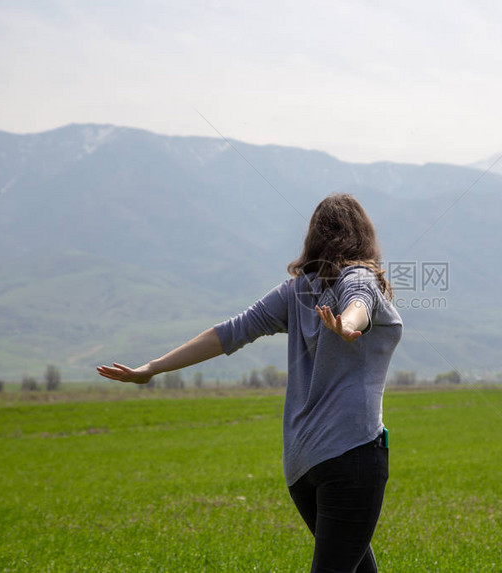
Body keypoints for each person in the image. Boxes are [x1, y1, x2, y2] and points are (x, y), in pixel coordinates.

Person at [97, 192, 403, 573]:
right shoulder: (360, 276)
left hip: (303, 467)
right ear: (364, 236)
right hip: (351, 454)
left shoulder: (294, 291)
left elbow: (228, 333)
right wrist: (347, 324)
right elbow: (358, 301)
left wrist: (153, 367)